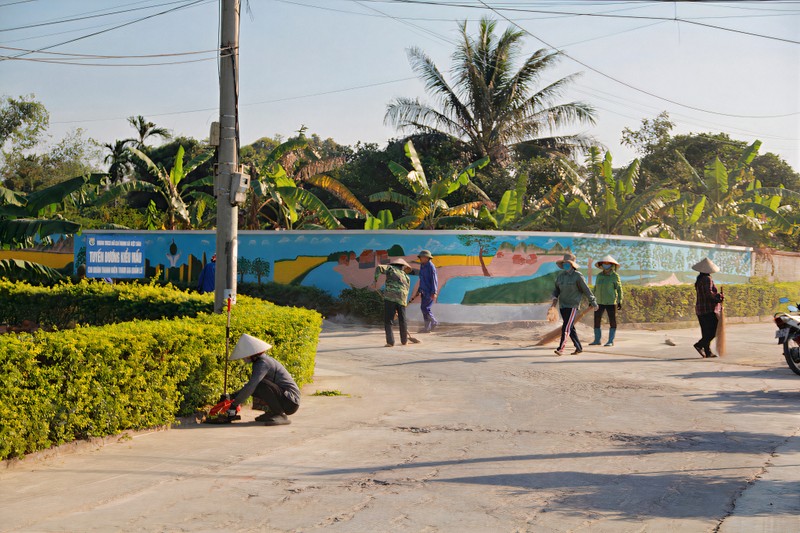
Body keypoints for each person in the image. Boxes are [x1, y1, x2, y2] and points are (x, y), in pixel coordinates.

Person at [226, 333, 300, 426]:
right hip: (285, 398)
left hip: (290, 402)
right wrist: (232, 396)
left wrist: (234, 404)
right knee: (255, 387)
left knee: (259, 385)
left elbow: (252, 385)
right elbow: (250, 387)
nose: (243, 359)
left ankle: (280, 415)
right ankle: (272, 412)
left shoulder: (263, 363)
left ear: (251, 354)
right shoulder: (259, 362)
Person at [551, 253, 598, 356]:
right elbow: (556, 290)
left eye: (568, 263)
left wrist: (593, 302)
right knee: (570, 327)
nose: (565, 265)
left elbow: (586, 290)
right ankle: (579, 347)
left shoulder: (578, 276)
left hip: (573, 305)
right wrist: (554, 300)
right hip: (563, 305)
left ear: (572, 264)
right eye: (564, 264)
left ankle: (561, 348)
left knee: (566, 327)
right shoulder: (560, 276)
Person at [373, 257, 420, 347]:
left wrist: (375, 281)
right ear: (403, 267)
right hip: (402, 300)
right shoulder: (406, 277)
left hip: (390, 298)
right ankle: (404, 341)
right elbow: (406, 290)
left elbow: (379, 268)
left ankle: (390, 342)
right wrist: (402, 304)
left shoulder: (390, 268)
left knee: (388, 320)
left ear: (394, 265)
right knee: (403, 320)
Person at [692, 257, 723, 358]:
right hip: (708, 309)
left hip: (700, 309)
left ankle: (708, 352)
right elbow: (709, 295)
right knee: (715, 330)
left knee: (706, 332)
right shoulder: (707, 279)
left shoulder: (699, 278)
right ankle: (699, 345)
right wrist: (719, 297)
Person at [590, 255, 623, 347]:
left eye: (608, 264)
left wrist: (620, 300)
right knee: (597, 320)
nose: (606, 265)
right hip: (599, 301)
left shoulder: (615, 276)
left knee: (612, 320)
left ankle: (610, 341)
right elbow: (596, 288)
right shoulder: (599, 276)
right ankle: (597, 340)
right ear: (602, 265)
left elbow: (619, 289)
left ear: (612, 265)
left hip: (611, 302)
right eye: (604, 263)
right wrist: (592, 299)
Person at [411, 249, 439, 333]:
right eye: (421, 257)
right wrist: (419, 290)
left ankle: (434, 322)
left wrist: (434, 292)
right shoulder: (422, 266)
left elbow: (434, 280)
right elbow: (422, 279)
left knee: (425, 308)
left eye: (422, 257)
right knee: (424, 308)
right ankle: (427, 327)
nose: (421, 259)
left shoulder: (431, 267)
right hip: (423, 291)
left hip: (429, 291)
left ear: (427, 258)